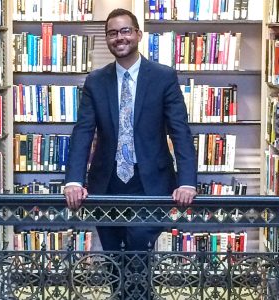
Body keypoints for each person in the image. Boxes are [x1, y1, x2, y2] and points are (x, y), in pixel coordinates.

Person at [64, 8, 197, 252]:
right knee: (112, 254)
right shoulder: (96, 81)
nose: (119, 37)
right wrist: (73, 180)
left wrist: (187, 182)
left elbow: (180, 131)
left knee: (138, 249)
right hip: (106, 183)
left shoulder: (163, 77)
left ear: (138, 34)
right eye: (112, 33)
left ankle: (138, 292)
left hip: (150, 182)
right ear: (107, 39)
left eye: (125, 31)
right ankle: (120, 292)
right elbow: (83, 131)